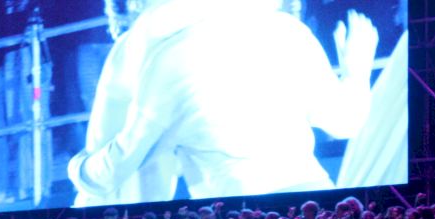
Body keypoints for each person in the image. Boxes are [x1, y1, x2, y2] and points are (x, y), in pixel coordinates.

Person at [68, 1, 378, 202]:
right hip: (318, 202)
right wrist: (357, 70)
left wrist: (78, 168)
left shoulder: (168, 59)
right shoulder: (288, 31)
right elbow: (345, 122)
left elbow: (115, 169)